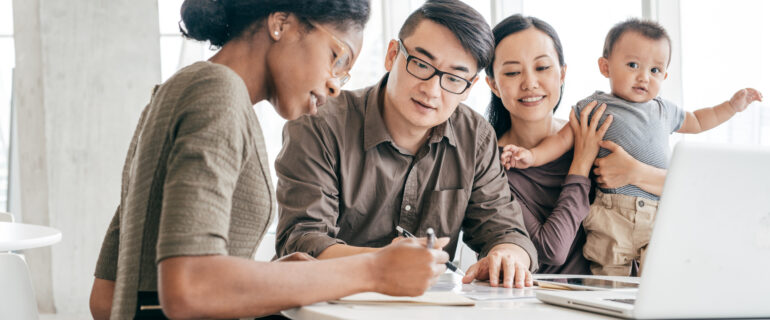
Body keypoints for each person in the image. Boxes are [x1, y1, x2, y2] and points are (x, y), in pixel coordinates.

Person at [88, 1, 450, 319]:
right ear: (281, 23)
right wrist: (374, 270)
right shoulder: (218, 93)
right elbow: (190, 287)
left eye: (345, 73)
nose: (336, 85)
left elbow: (108, 297)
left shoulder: (179, 90)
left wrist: (282, 279)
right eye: (336, 57)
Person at [275, 0, 537, 289]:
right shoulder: (320, 122)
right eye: (422, 65)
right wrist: (383, 265)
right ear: (392, 56)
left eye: (453, 78)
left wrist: (508, 256)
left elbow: (506, 231)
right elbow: (301, 242)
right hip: (329, 305)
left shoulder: (476, 136)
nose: (431, 90)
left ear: (469, 87)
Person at [501, 18, 763, 275]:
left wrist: (731, 107)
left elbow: (698, 128)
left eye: (655, 71)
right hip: (608, 225)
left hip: (655, 215)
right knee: (611, 271)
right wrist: (532, 157)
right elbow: (558, 144)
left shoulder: (663, 110)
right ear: (605, 67)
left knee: (666, 275)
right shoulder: (591, 112)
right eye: (633, 65)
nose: (643, 77)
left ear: (563, 73)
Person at [485, 14, 611, 275]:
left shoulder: (589, 132)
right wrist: (581, 164)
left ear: (562, 73)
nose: (530, 83)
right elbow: (551, 250)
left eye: (542, 68)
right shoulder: (491, 166)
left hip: (622, 298)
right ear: (493, 85)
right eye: (512, 72)